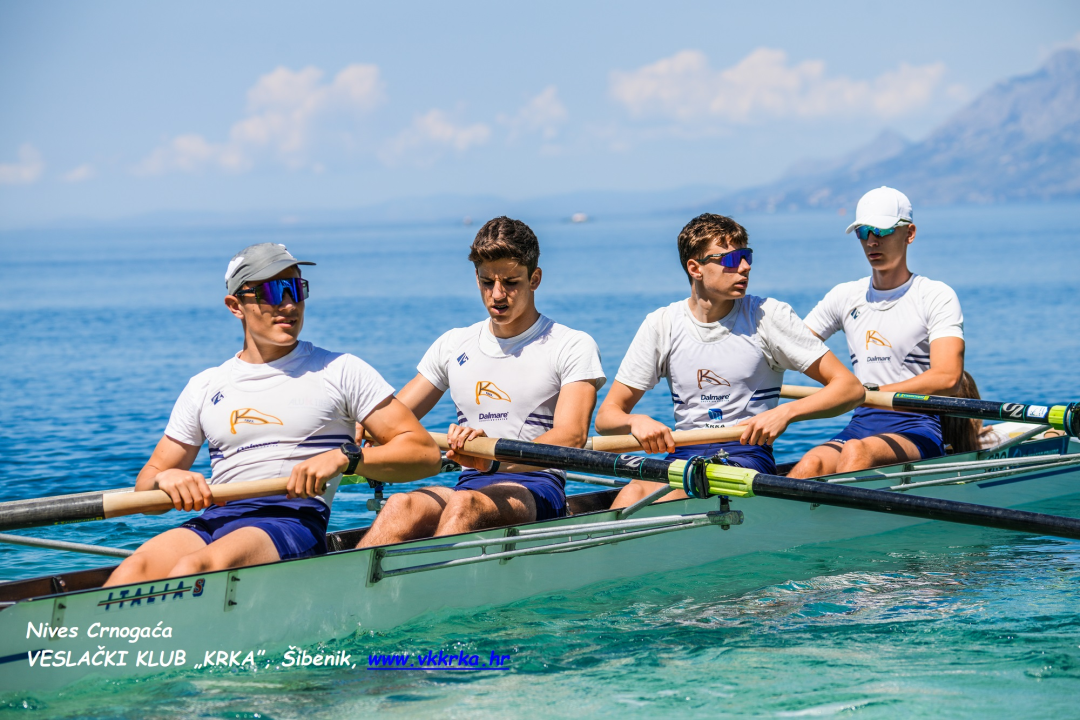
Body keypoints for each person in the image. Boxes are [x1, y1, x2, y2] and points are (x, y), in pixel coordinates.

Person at [106, 243, 440, 586]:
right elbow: (146, 487)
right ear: (235, 306)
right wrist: (166, 479)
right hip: (217, 517)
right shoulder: (204, 386)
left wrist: (347, 459)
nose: (289, 304)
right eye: (271, 292)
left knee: (196, 570)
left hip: (291, 521)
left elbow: (424, 454)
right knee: (131, 572)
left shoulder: (339, 370)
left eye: (296, 288)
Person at [359, 217, 605, 546]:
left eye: (511, 282)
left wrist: (492, 460)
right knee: (400, 505)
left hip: (536, 486)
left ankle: (432, 591)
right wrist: (358, 430)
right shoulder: (453, 345)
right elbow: (393, 420)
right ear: (476, 278)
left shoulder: (570, 344)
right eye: (487, 282)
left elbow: (571, 436)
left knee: (464, 506)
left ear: (535, 279)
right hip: (469, 484)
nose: (497, 295)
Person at [595, 213, 864, 508]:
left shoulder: (767, 316)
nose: (745, 267)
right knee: (632, 494)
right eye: (731, 259)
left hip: (744, 456)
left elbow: (849, 389)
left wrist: (785, 413)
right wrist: (635, 421)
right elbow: (606, 417)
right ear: (695, 268)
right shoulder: (662, 324)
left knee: (665, 498)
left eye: (746, 256)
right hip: (683, 454)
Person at [788, 187, 965, 478]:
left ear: (909, 233)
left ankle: (843, 522)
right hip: (862, 422)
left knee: (857, 452)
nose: (872, 241)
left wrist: (863, 393)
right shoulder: (845, 296)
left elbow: (947, 377)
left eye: (881, 231)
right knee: (811, 463)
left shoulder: (935, 295)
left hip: (915, 425)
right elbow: (791, 348)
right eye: (863, 232)